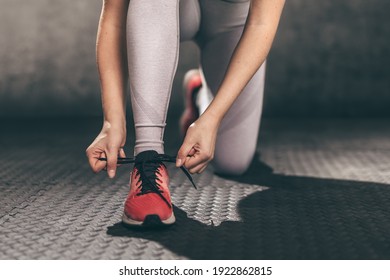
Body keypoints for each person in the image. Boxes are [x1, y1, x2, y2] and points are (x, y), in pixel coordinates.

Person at [86, 0, 285, 227]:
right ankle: (148, 159)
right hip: (164, 10)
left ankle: (199, 92)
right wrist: (112, 121)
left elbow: (261, 23)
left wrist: (212, 117)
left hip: (231, 23)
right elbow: (114, 19)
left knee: (233, 162)